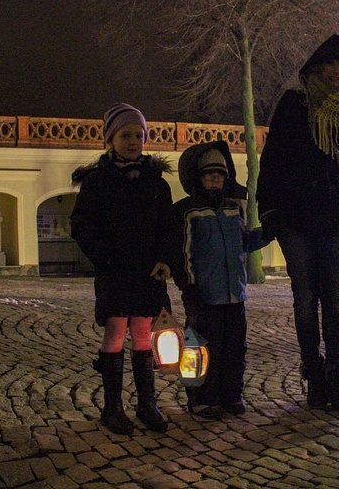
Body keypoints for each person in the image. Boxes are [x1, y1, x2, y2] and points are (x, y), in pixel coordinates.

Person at [256, 34, 339, 411]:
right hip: (296, 219)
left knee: (336, 303)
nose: (337, 72)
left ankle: (336, 379)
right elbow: (272, 159)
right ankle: (314, 375)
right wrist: (269, 210)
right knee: (305, 301)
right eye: (331, 65)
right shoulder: (296, 104)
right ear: (317, 67)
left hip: (336, 220)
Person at [70, 102, 181, 435]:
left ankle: (147, 404)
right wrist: (103, 256)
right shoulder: (97, 182)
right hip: (115, 271)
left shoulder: (156, 183)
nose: (133, 141)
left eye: (138, 135)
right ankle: (113, 408)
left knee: (144, 335)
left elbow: (169, 226)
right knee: (116, 333)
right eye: (125, 135)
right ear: (110, 139)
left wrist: (165, 259)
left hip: (148, 272)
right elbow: (82, 224)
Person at [173, 141, 271, 420]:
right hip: (205, 296)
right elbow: (185, 253)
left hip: (234, 295)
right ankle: (201, 399)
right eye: (209, 175)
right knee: (202, 349)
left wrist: (266, 233)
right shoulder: (189, 212)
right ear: (199, 178)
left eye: (220, 176)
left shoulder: (232, 209)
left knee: (234, 349)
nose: (215, 180)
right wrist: (189, 288)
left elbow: (243, 243)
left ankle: (231, 395)